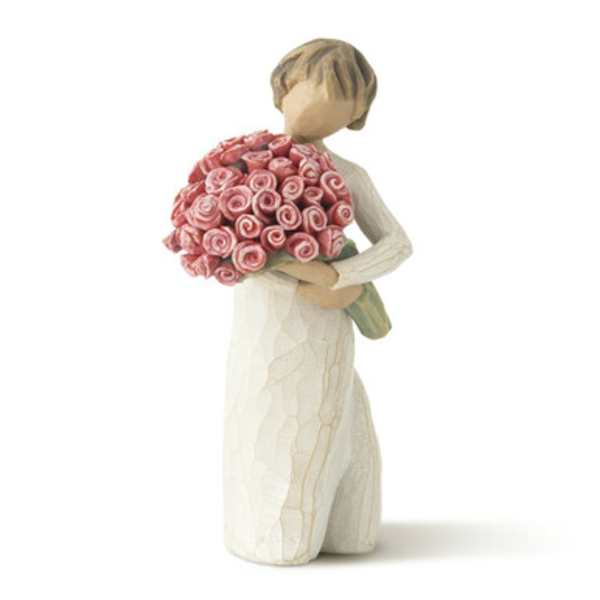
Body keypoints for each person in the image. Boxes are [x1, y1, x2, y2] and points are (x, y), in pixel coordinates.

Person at [223, 38, 412, 565]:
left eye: (339, 103)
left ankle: (342, 523)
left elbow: (397, 244)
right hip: (265, 324)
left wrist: (341, 276)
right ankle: (272, 534)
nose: (317, 109)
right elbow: (230, 246)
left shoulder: (348, 177)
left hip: (322, 326)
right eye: (310, 92)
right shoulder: (243, 166)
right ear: (282, 89)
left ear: (355, 115)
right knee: (269, 421)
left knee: (324, 412)